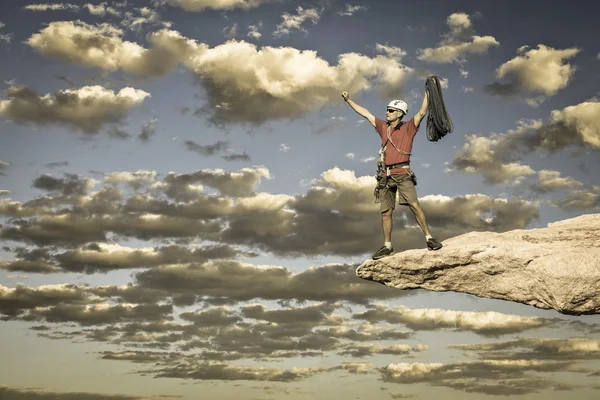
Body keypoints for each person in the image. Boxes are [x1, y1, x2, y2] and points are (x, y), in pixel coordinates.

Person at [341, 87, 443, 260]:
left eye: (391, 111)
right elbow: (366, 113)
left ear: (400, 114)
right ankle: (387, 246)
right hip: (385, 176)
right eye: (387, 110)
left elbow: (422, 111)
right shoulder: (383, 127)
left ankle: (429, 238)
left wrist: (428, 90)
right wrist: (349, 100)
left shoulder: (409, 127)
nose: (387, 113)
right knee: (386, 212)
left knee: (414, 205)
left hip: (402, 173)